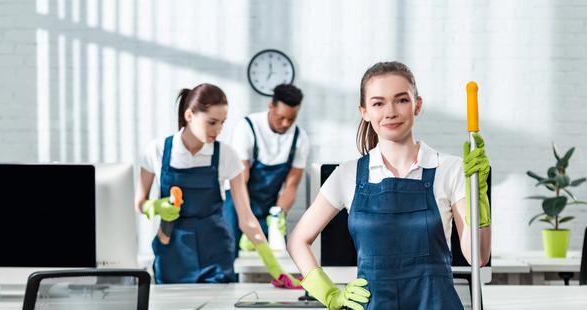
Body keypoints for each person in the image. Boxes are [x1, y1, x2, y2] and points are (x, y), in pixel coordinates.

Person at [287, 62, 492, 309]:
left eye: (401, 100)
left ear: (417, 105)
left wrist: (479, 195)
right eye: (378, 103)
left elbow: (478, 256)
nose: (391, 112)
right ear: (364, 111)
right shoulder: (347, 175)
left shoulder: (450, 169)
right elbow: (297, 240)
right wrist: (330, 295)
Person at [135, 83, 300, 287]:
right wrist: (155, 206)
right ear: (189, 115)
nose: (218, 130)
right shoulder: (157, 150)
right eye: (212, 122)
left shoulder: (226, 155)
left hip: (216, 254)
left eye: (222, 123)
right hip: (172, 253)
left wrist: (275, 269)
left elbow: (246, 219)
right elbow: (139, 202)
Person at [223, 84, 309, 253]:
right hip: (237, 203)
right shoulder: (247, 128)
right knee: (230, 253)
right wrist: (246, 219)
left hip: (269, 208)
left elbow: (291, 187)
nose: (285, 124)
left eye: (291, 119)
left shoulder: (300, 138)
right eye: (281, 118)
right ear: (271, 106)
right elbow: (240, 180)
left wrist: (278, 214)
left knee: (276, 256)